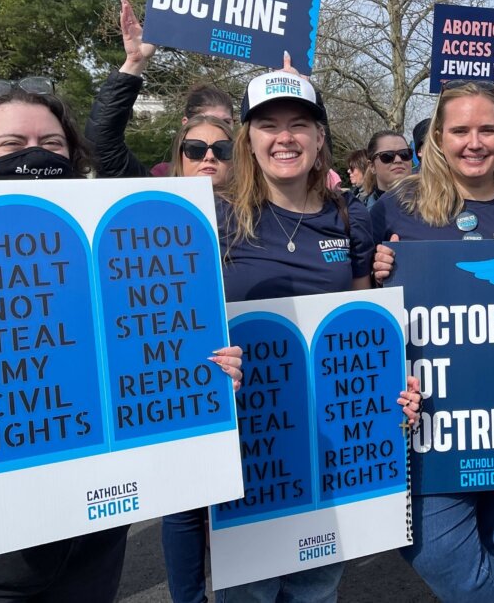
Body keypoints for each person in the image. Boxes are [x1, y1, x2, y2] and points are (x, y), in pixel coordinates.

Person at [0, 78, 243, 600]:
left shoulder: (114, 236)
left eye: (50, 144)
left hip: (86, 538)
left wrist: (204, 368)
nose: (34, 156)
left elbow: (137, 348)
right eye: (12, 144)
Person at [204, 70, 420, 602]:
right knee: (250, 592)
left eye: (299, 124)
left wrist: (395, 387)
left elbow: (365, 327)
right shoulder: (213, 216)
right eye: (268, 125)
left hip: (333, 439)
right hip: (249, 439)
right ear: (248, 140)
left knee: (316, 589)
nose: (285, 137)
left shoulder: (351, 218)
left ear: (320, 137)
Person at [370, 80, 494, 603]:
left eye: (487, 129)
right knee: (438, 552)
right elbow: (357, 303)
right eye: (460, 130)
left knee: (491, 557)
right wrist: (375, 272)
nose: (474, 142)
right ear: (438, 137)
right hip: (429, 423)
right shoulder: (396, 206)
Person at [85, 0, 236, 180]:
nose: (215, 130)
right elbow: (102, 147)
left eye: (225, 123)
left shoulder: (256, 185)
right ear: (185, 125)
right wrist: (135, 62)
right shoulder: (161, 184)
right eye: (205, 120)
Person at [359, 129, 413, 208]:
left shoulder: (430, 202)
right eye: (387, 156)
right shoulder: (364, 212)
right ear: (372, 166)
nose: (398, 160)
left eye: (404, 153)